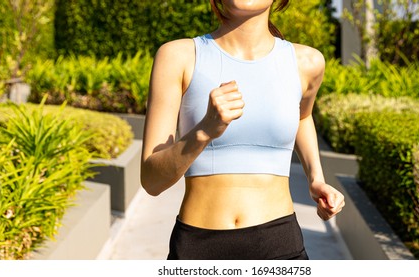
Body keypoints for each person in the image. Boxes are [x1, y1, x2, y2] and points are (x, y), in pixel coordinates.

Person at [140, 0, 345, 260]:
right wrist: (203, 131)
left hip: (280, 246)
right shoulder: (178, 56)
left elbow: (302, 116)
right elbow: (151, 181)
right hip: (197, 247)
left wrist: (316, 178)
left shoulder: (307, 62)